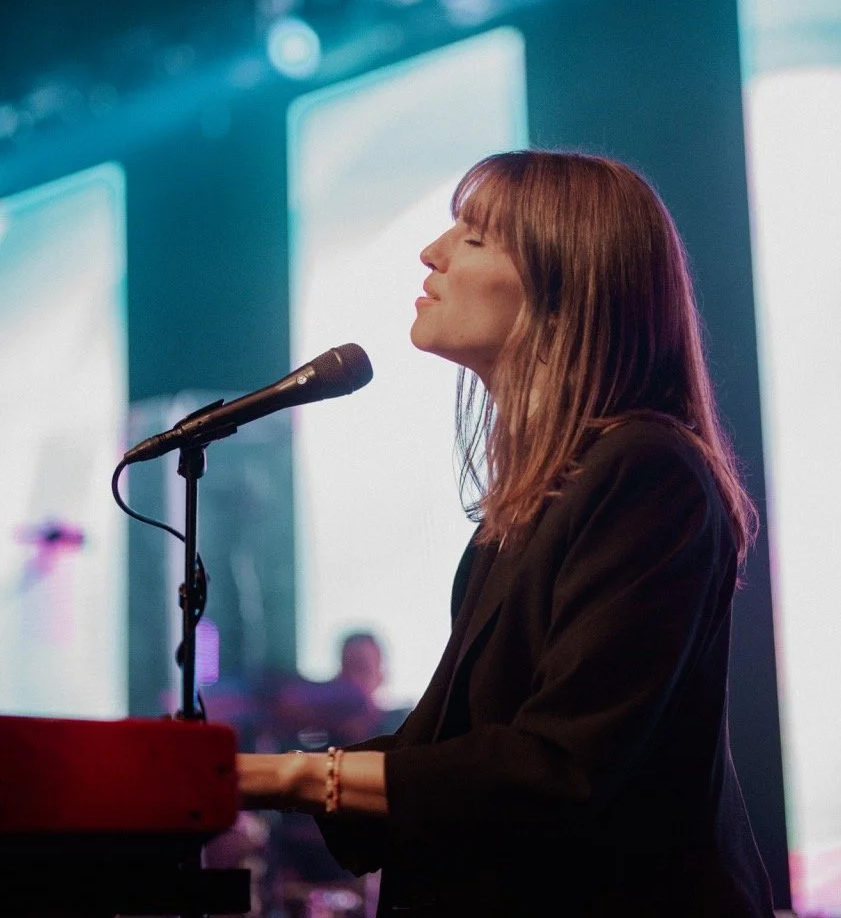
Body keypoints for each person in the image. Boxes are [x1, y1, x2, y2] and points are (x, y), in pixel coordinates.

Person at [238, 150, 776, 917]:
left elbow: (556, 766)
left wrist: (278, 777)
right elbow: (442, 753)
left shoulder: (645, 470)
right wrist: (238, 773)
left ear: (567, 291)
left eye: (476, 237)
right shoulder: (528, 507)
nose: (432, 252)